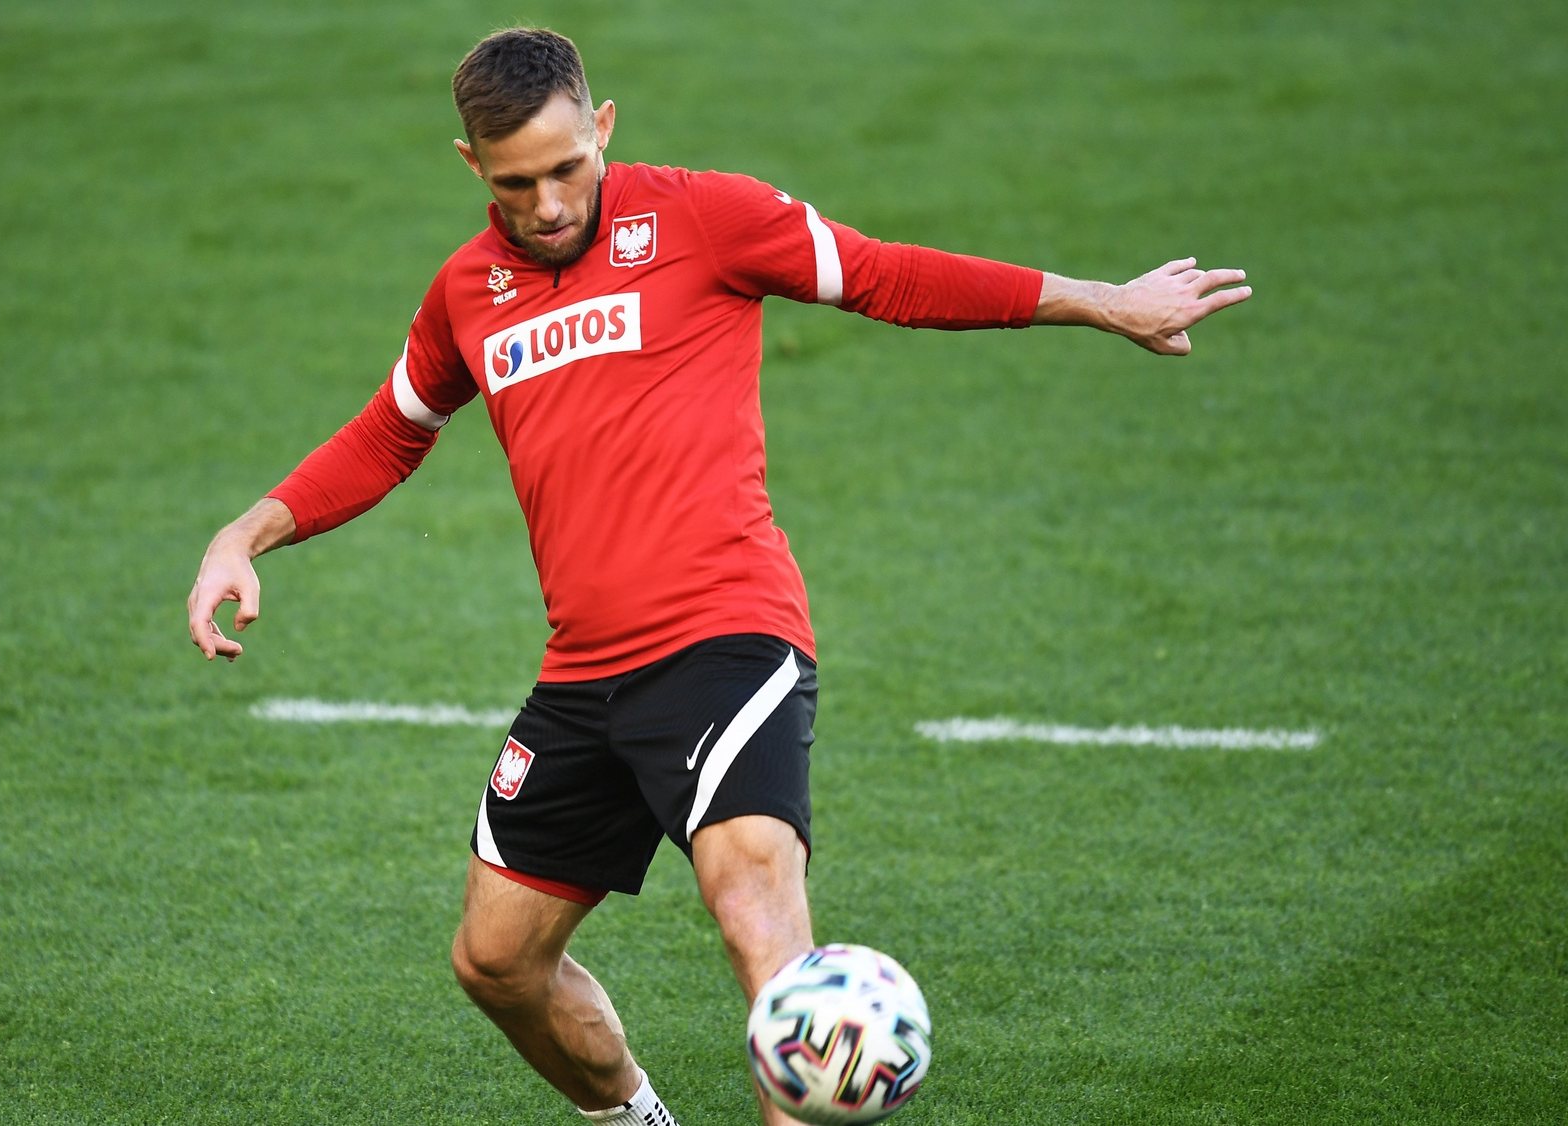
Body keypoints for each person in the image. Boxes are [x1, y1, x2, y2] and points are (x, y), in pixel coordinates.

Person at [188, 27, 1249, 1125]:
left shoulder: (705, 217)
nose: (548, 203)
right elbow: (387, 435)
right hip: (582, 674)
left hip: (726, 638)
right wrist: (245, 533)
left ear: (602, 129)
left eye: (566, 168)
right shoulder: (467, 290)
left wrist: (1102, 300)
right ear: (470, 167)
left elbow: (883, 273)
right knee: (495, 963)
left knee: (754, 915)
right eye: (515, 183)